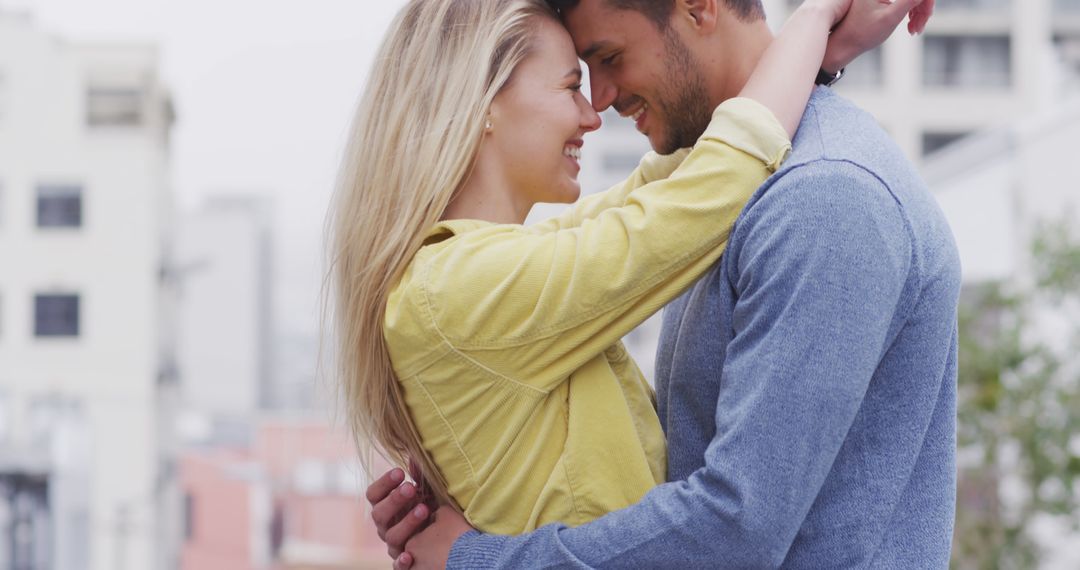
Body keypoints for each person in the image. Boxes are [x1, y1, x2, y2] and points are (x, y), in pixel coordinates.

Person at [368, 0, 961, 568]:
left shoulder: (824, 198)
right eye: (574, 82)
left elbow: (736, 525)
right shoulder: (472, 278)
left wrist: (480, 559)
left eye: (606, 58)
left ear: (698, 6)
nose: (597, 106)